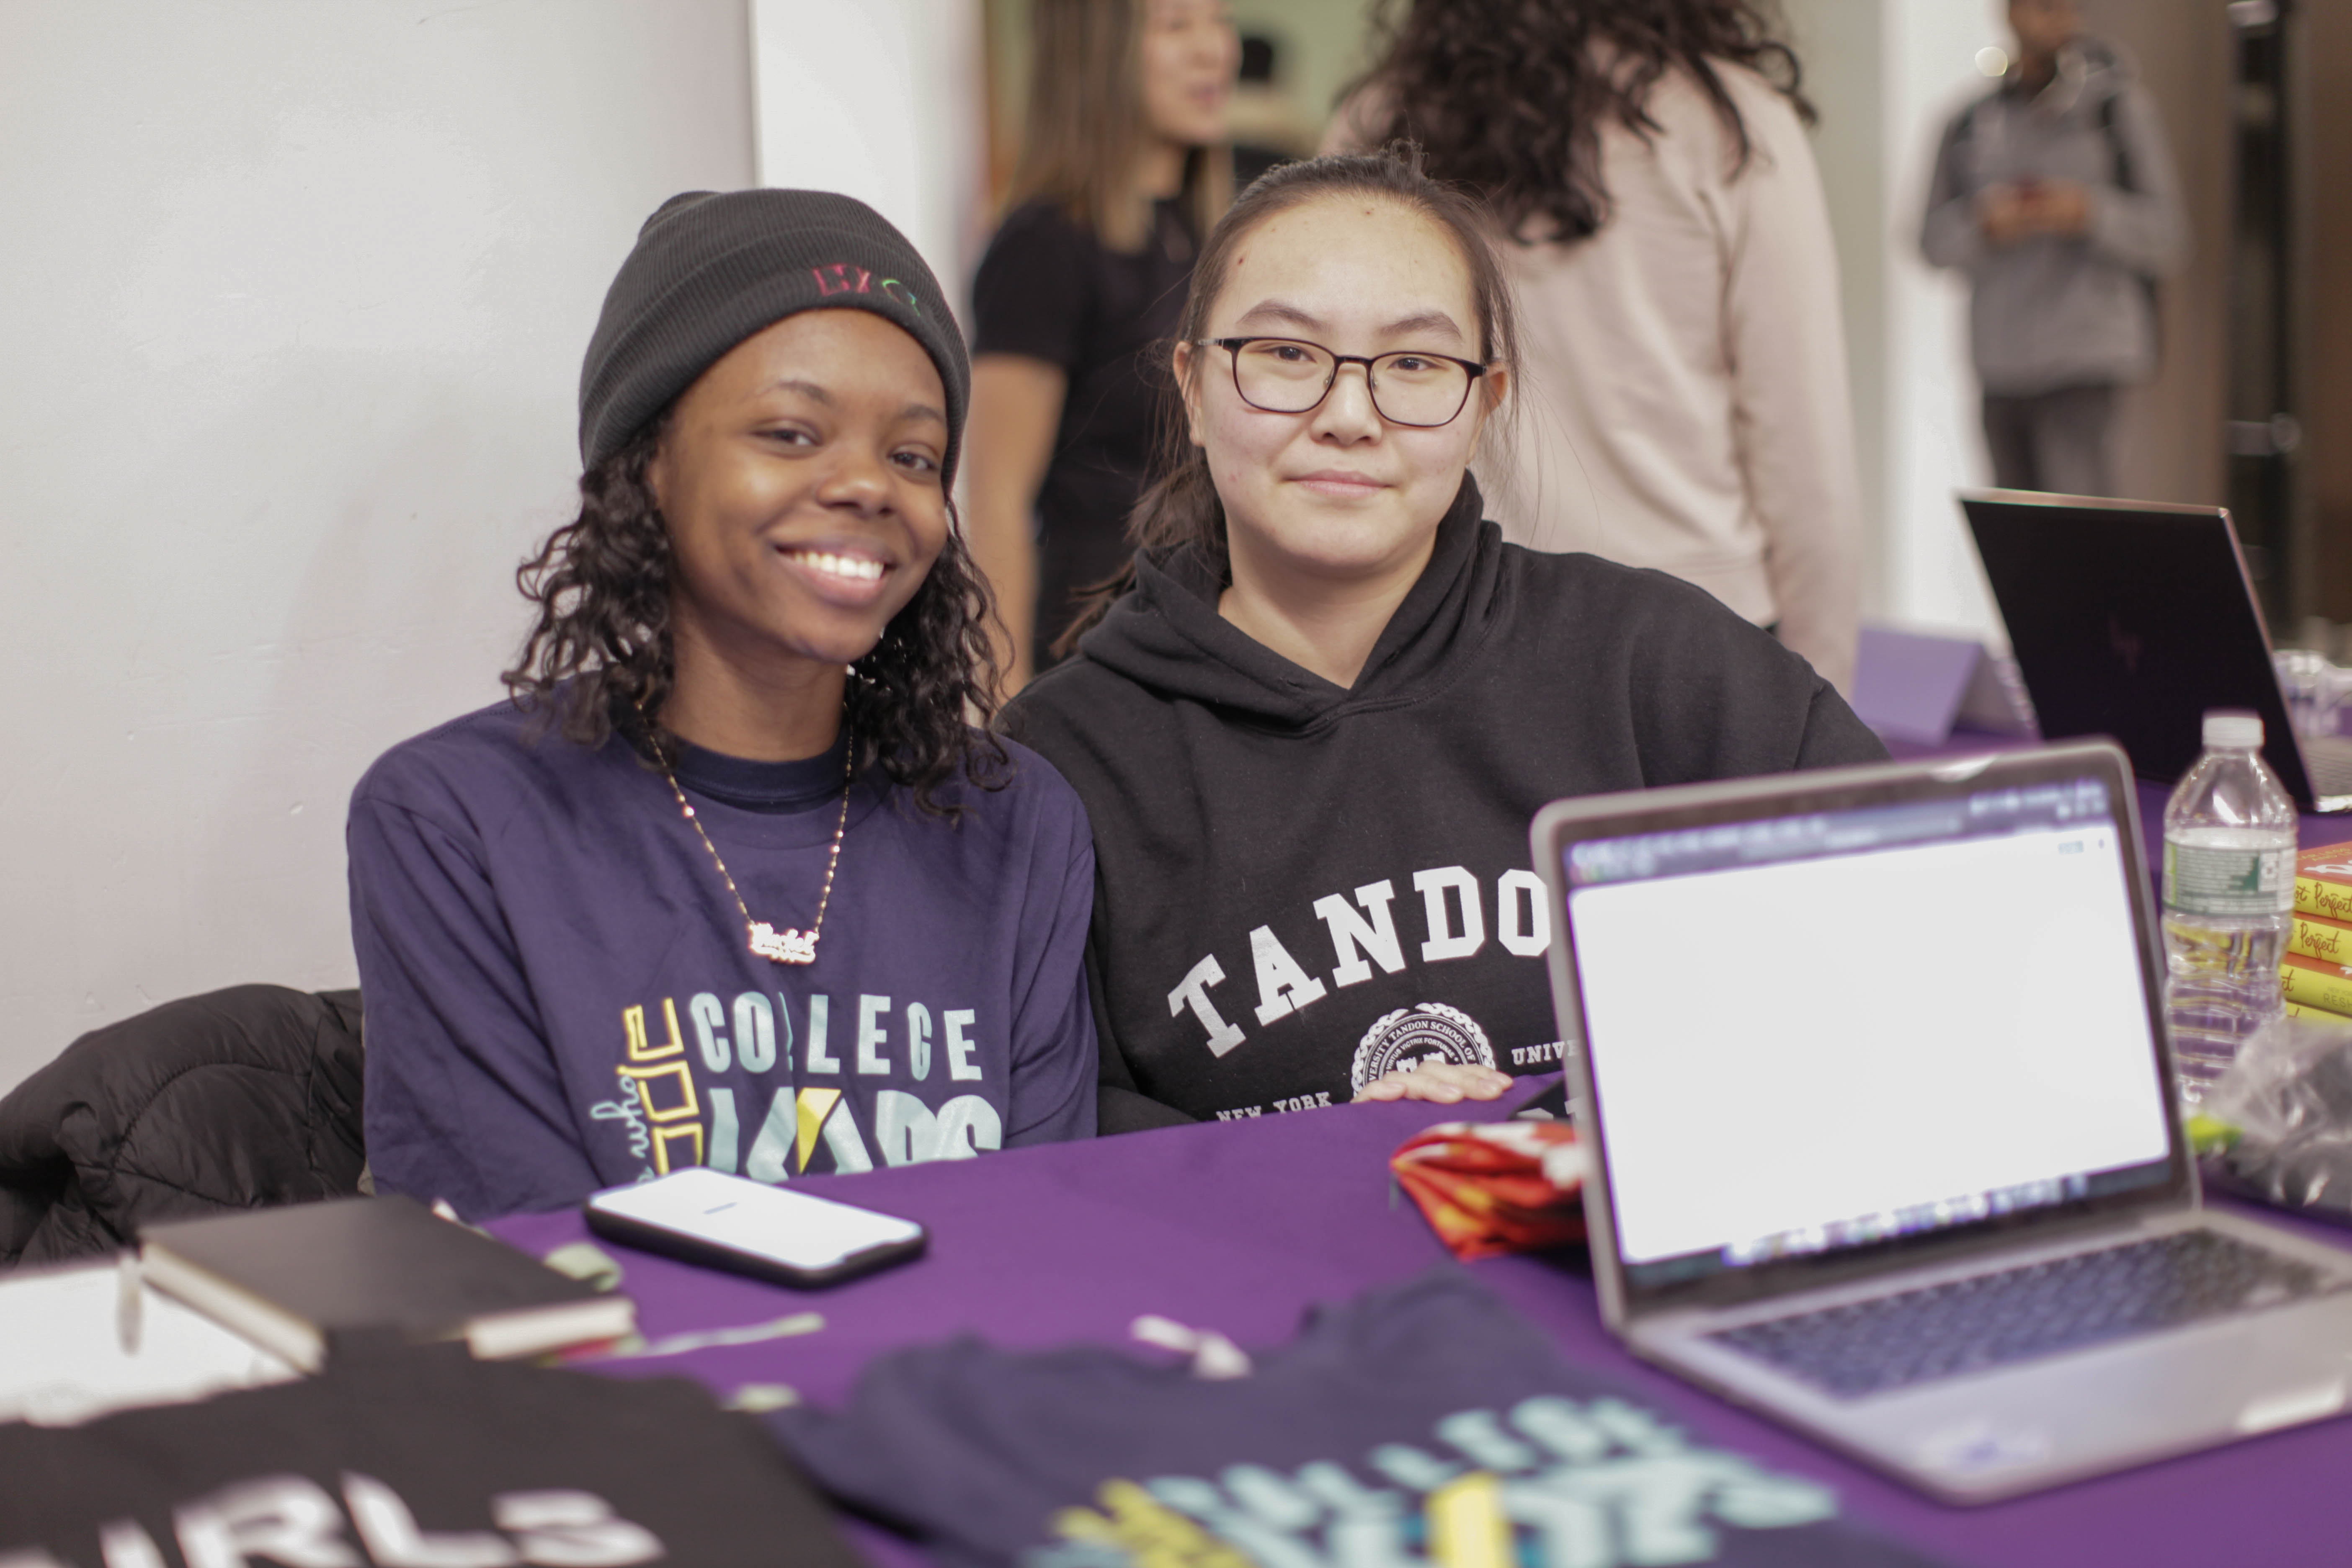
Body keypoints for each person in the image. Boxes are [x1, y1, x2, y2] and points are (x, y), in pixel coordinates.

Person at [1001, 152, 1885, 1134]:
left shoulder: (1660, 668)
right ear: (1194, 387)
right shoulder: (1067, 758)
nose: (1347, 416)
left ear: (1484, 403)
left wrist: (1554, 1124)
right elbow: (1057, 1141)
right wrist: (1334, 1150)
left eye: (1414, 364)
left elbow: (1900, 943)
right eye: (1287, 354)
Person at [349, 191, 1099, 1218]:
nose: (867, 485)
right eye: (792, 432)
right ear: (648, 463)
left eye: (914, 456)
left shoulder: (1017, 821)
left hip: (961, 1372)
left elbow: (1044, 1229)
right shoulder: (456, 820)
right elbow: (524, 1262)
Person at [1329, 0, 1865, 694]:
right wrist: (1823, 715)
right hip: (1688, 634)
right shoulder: (1730, 121)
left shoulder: (1379, 121)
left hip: (1445, 629)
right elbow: (1803, 449)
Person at [964, 0, 1238, 690]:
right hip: (1097, 648)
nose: (1215, 51)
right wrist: (1004, 708)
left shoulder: (1209, 235)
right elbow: (996, 496)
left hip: (1205, 632)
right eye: (1177, 26)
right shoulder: (1045, 243)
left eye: (1220, 20)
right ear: (1098, 55)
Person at [1921, 0, 2186, 498]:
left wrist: (2088, 213)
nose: (2058, 18)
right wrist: (1985, 222)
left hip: (2085, 360)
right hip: (2002, 365)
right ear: (2010, 12)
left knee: (2083, 536)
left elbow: (2168, 236)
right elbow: (1931, 244)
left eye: (2068, 7)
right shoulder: (1969, 124)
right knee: (2016, 539)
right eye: (2043, 6)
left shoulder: (2118, 111)